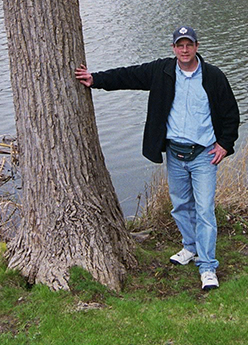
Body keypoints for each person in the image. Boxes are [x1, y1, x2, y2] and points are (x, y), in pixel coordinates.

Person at [74, 26, 239, 291]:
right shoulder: (162, 71)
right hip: (175, 153)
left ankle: (207, 266)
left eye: (189, 45)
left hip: (203, 156)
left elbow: (231, 112)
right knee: (181, 205)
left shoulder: (213, 76)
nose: (184, 50)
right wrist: (96, 79)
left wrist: (225, 145)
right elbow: (128, 75)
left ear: (196, 46)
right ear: (174, 48)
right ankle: (190, 247)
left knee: (205, 210)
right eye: (179, 45)